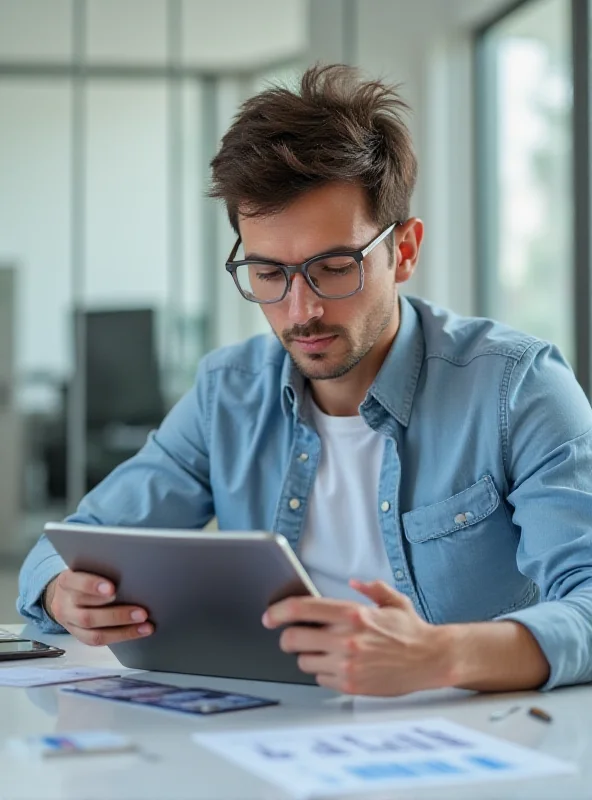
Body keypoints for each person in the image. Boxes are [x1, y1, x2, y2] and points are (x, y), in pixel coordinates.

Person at [18, 64, 592, 697]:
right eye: (268, 273)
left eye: (334, 267)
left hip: (471, 742)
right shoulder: (227, 394)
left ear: (403, 251)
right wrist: (63, 590)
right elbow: (74, 543)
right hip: (272, 734)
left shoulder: (518, 388)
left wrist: (442, 654)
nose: (300, 311)